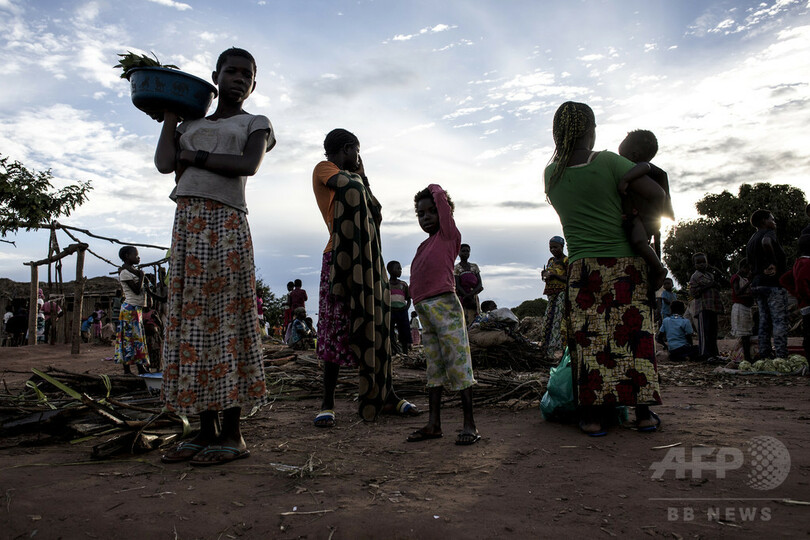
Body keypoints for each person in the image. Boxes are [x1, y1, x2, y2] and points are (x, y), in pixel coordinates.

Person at [154, 47, 275, 466]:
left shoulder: (255, 123)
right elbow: (165, 163)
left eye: (247, 74)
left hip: (225, 228)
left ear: (253, 84)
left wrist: (197, 156)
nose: (239, 78)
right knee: (193, 326)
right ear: (215, 76)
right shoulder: (191, 124)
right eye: (232, 71)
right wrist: (171, 117)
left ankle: (234, 434)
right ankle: (204, 432)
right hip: (188, 226)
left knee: (226, 323)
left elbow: (248, 164)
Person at [544, 101, 663, 436]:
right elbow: (656, 194)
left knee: (590, 342)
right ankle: (642, 415)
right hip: (626, 265)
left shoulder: (551, 174)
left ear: (558, 133)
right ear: (591, 130)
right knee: (635, 339)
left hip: (582, 269)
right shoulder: (610, 161)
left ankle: (594, 418)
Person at [311, 128, 417, 427]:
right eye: (357, 151)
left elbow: (372, 207)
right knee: (335, 329)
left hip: (368, 261)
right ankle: (327, 402)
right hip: (338, 258)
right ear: (347, 149)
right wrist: (361, 174)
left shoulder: (356, 179)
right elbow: (349, 187)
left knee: (376, 327)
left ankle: (386, 395)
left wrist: (364, 176)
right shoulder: (324, 169)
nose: (359, 158)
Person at [408, 184, 479, 445]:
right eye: (420, 214)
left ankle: (470, 424)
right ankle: (433, 424)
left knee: (459, 363)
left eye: (431, 211)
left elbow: (440, 198)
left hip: (445, 306)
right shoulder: (422, 247)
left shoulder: (448, 236)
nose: (426, 217)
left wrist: (432, 190)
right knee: (434, 367)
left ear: (442, 212)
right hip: (425, 309)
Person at [615, 130, 673, 290]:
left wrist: (625, 179)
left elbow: (644, 167)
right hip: (637, 217)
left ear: (634, 154)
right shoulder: (639, 170)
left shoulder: (642, 168)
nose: (620, 160)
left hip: (643, 218)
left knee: (639, 241)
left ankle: (659, 269)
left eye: (622, 155)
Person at [746, 209, 789, 359]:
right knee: (779, 320)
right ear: (764, 221)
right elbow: (766, 242)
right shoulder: (768, 234)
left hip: (758, 284)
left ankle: (764, 353)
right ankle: (781, 355)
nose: (774, 221)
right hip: (772, 284)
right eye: (772, 219)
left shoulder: (752, 239)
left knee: (764, 321)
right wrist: (773, 263)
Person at [115, 246, 150, 373]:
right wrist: (141, 276)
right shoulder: (125, 273)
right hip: (129, 308)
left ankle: (140, 367)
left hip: (136, 308)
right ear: (127, 256)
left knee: (137, 338)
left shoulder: (132, 270)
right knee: (128, 339)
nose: (138, 257)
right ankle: (127, 370)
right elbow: (136, 290)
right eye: (135, 255)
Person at [688, 253, 723, 363]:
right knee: (705, 331)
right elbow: (693, 293)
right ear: (694, 265)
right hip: (703, 307)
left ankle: (714, 354)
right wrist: (709, 285)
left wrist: (716, 285)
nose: (701, 264)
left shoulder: (710, 276)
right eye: (698, 262)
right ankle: (705, 354)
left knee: (713, 331)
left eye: (703, 261)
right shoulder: (695, 276)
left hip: (712, 307)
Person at [538, 236, 568, 360]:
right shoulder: (551, 260)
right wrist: (544, 275)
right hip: (551, 296)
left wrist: (554, 275)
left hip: (561, 295)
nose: (553, 250)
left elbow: (569, 278)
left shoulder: (566, 261)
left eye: (555, 247)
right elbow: (545, 277)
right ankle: (547, 349)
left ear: (562, 247)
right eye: (551, 247)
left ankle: (557, 350)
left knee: (558, 322)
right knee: (548, 321)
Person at [780, 235, 810, 360]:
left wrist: (798, 295)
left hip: (805, 305)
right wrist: (804, 294)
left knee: (808, 333)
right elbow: (802, 281)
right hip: (808, 303)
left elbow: (784, 279)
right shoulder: (807, 263)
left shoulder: (798, 262)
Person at [730, 259, 754, 363]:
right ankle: (747, 358)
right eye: (748, 268)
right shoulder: (736, 278)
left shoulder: (744, 278)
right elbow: (738, 292)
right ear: (743, 267)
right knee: (744, 335)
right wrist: (749, 283)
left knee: (747, 335)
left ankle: (746, 357)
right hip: (740, 308)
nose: (749, 271)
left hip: (746, 308)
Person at [454, 244, 483, 326]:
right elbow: (458, 285)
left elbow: (480, 284)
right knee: (464, 319)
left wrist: (470, 295)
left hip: (473, 297)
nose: (466, 253)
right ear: (458, 253)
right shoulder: (456, 268)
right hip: (463, 297)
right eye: (463, 251)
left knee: (474, 319)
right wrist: (466, 296)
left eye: (467, 251)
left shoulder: (474, 266)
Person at [387, 260, 412, 355]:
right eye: (398, 268)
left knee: (404, 331)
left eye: (400, 268)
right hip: (390, 311)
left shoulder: (404, 284)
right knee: (390, 332)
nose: (400, 270)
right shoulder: (386, 285)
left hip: (402, 311)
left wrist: (406, 308)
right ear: (389, 270)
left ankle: (405, 352)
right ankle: (393, 351)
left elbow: (408, 298)